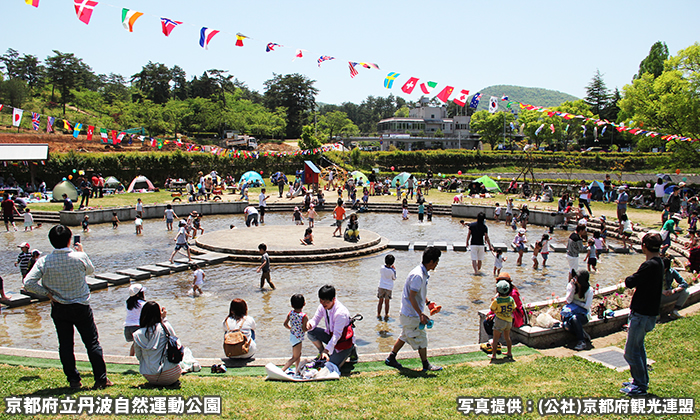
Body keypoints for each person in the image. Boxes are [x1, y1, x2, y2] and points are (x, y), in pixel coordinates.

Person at [23, 225, 112, 389]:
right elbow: (90, 271)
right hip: (81, 306)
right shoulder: (79, 256)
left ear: (51, 241)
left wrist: (47, 294)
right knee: (92, 343)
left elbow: (28, 283)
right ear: (70, 239)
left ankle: (73, 379)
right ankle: (101, 379)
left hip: (59, 306)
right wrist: (81, 251)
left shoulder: (44, 261)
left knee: (65, 345)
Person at [385, 247, 443, 372]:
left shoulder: (421, 273)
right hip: (411, 314)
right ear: (432, 261)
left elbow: (417, 293)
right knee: (421, 338)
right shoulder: (418, 275)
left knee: (405, 335)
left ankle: (391, 358)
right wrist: (421, 314)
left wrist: (428, 303)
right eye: (437, 260)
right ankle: (426, 364)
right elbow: (411, 297)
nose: (437, 263)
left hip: (408, 313)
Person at [620, 232, 663, 397]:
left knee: (630, 352)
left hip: (642, 314)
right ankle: (640, 380)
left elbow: (631, 281)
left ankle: (640, 386)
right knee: (639, 348)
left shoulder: (649, 265)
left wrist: (628, 279)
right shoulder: (658, 262)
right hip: (648, 314)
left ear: (644, 246)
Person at [133, 301, 182, 386]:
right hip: (172, 374)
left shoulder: (137, 334)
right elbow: (177, 344)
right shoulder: (165, 326)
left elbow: (139, 356)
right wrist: (164, 319)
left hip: (149, 376)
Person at [307, 285, 357, 368]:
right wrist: (309, 324)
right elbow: (315, 319)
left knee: (331, 366)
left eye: (326, 302)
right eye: (321, 301)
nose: (323, 304)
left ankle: (351, 350)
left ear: (333, 299)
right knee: (311, 332)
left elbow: (337, 335)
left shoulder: (340, 313)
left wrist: (327, 351)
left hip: (343, 341)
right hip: (331, 336)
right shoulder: (322, 306)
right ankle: (321, 352)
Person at [561, 269, 593, 351]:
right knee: (565, 325)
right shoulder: (572, 286)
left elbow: (586, 306)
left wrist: (575, 302)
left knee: (575, 319)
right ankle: (582, 333)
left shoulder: (589, 291)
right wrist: (571, 288)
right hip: (571, 311)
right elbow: (568, 301)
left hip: (583, 315)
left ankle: (581, 341)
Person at [282, 294, 308, 374]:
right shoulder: (304, 316)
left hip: (292, 336)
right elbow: (304, 329)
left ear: (292, 305)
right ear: (304, 304)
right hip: (298, 338)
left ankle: (297, 369)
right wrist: (309, 328)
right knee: (295, 357)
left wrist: (291, 328)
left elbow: (285, 324)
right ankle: (282, 370)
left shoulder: (291, 313)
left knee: (298, 354)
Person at [489, 280, 515, 361]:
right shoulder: (511, 299)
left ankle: (493, 355)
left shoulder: (497, 301)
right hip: (509, 321)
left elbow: (492, 308)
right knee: (507, 337)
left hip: (500, 320)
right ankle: (509, 352)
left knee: (496, 338)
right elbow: (514, 307)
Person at [124, 283, 146, 356]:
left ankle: (131, 357)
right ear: (138, 294)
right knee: (142, 344)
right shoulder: (142, 304)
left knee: (135, 343)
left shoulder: (128, 303)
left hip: (127, 327)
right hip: (137, 327)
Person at [377, 254, 397, 321]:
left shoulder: (382, 268)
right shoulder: (392, 271)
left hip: (381, 286)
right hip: (388, 287)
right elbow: (394, 278)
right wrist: (394, 269)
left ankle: (378, 313)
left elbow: (381, 273)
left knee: (380, 301)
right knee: (387, 302)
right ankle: (386, 314)